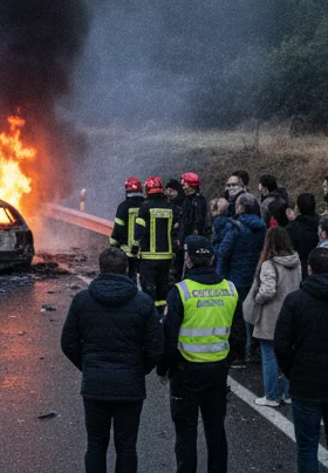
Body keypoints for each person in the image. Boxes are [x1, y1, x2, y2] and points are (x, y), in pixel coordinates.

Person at [61, 247, 163, 473]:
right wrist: (139, 369)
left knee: (96, 444)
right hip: (130, 386)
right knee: (126, 446)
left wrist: (88, 366)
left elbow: (68, 343)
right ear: (127, 269)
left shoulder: (82, 300)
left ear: (100, 269)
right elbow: (156, 347)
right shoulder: (144, 302)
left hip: (95, 386)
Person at [157, 236, 244, 473]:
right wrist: (226, 361)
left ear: (188, 259)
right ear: (212, 258)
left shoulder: (180, 292)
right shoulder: (230, 289)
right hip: (217, 372)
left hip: (186, 374)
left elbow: (169, 338)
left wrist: (163, 370)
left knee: (186, 434)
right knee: (216, 431)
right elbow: (239, 335)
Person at [274, 248, 328, 473]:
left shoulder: (296, 301)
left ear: (309, 269)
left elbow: (282, 344)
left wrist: (292, 371)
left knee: (307, 447)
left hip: (305, 381)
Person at [247, 227, 302, 407]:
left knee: (269, 355)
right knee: (290, 355)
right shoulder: (296, 262)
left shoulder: (269, 264)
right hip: (292, 313)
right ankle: (289, 393)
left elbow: (268, 290)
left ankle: (271, 395)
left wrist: (257, 298)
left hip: (271, 314)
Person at [218, 193, 265, 364]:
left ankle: (240, 353)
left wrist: (220, 276)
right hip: (254, 276)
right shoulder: (261, 227)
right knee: (253, 313)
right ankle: (254, 349)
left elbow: (224, 252)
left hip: (235, 277)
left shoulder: (235, 227)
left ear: (241, 208)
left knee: (237, 316)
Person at [133, 176, 180, 313]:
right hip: (166, 257)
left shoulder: (144, 207)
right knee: (162, 288)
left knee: (148, 288)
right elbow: (176, 231)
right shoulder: (172, 208)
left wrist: (135, 248)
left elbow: (139, 230)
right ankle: (161, 315)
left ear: (147, 191)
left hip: (148, 257)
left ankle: (149, 317)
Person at [109, 176, 148, 284]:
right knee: (145, 278)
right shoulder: (147, 205)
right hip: (147, 251)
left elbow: (118, 228)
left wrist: (113, 243)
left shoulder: (123, 206)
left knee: (130, 277)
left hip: (128, 251)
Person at [287, 194, 319, 278]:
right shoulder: (320, 223)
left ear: (298, 208)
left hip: (300, 266)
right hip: (318, 265)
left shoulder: (292, 228)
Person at [179, 172, 209, 241]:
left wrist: (196, 231)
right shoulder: (187, 200)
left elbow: (199, 218)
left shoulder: (198, 200)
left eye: (184, 185)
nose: (183, 188)